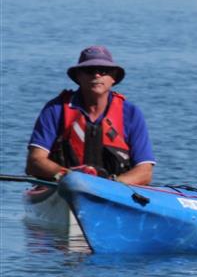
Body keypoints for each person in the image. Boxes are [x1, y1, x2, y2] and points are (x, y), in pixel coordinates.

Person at [25, 45, 155, 184]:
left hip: (114, 189)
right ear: (78, 76)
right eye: (89, 70)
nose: (97, 75)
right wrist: (70, 177)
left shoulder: (131, 114)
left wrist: (110, 185)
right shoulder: (55, 109)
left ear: (114, 78)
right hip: (62, 186)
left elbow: (145, 171)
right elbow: (35, 161)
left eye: (104, 71)